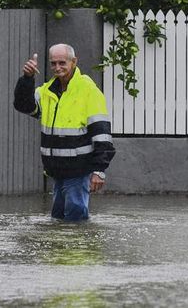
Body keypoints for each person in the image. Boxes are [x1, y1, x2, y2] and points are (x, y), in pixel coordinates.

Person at [13, 44, 115, 221]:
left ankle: (79, 248)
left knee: (74, 222)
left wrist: (99, 170)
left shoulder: (88, 90)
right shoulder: (47, 90)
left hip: (78, 170)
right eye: (53, 63)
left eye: (62, 63)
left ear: (74, 62)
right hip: (56, 170)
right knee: (58, 221)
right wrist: (27, 79)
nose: (57, 67)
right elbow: (23, 105)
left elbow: (102, 133)